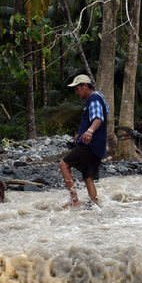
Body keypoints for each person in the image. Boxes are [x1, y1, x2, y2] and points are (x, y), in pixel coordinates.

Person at [59, 74, 109, 207]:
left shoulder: (93, 100)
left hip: (90, 146)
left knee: (64, 164)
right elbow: (105, 113)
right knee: (87, 176)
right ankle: (95, 203)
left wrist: (90, 131)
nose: (76, 92)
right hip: (98, 147)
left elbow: (98, 118)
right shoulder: (99, 97)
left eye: (77, 89)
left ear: (85, 86)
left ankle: (74, 201)